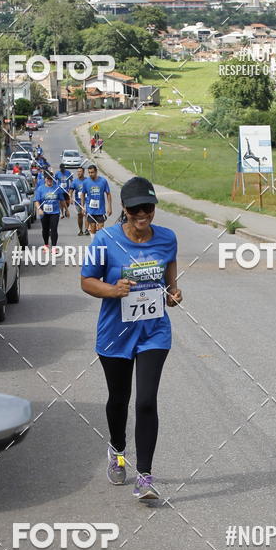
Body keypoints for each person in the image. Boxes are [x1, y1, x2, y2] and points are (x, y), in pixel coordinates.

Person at [80, 176, 182, 500]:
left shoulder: (167, 239)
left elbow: (170, 284)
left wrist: (174, 295)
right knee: (119, 400)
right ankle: (117, 448)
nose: (143, 214)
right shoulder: (104, 241)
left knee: (146, 400)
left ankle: (145, 477)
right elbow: (86, 281)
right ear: (124, 209)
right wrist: (112, 290)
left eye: (148, 208)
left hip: (154, 333)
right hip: (115, 335)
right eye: (136, 208)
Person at [34, 168, 67, 249]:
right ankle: (46, 244)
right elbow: (36, 201)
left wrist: (66, 210)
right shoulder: (40, 189)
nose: (49, 180)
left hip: (55, 212)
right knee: (45, 230)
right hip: (44, 213)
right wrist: (39, 209)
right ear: (45, 179)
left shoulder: (57, 188)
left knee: (54, 229)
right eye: (48, 178)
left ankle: (54, 247)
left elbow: (62, 201)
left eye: (51, 179)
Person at [82, 164, 111, 235]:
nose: (90, 174)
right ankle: (93, 244)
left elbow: (108, 194)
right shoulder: (86, 182)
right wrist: (83, 206)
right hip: (90, 209)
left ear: (96, 172)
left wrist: (109, 207)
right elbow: (82, 194)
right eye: (89, 172)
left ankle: (100, 244)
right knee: (93, 227)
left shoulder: (103, 181)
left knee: (101, 229)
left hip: (100, 210)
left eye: (92, 172)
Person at [69, 166, 88, 236]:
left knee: (86, 214)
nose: (78, 173)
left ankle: (86, 229)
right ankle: (80, 230)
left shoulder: (87, 180)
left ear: (83, 172)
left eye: (80, 171)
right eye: (78, 171)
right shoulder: (75, 181)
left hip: (87, 201)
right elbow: (70, 191)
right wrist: (70, 198)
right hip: (78, 202)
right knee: (80, 215)